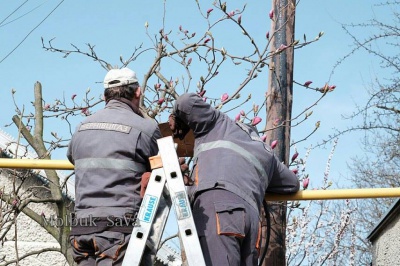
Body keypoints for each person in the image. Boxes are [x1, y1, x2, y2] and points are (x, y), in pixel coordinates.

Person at [168, 92, 300, 266]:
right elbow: (293, 184)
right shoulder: (267, 154)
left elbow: (186, 101)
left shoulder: (219, 123)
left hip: (219, 208)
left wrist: (177, 116)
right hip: (252, 222)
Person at [67, 67, 162, 265]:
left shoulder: (82, 127)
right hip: (119, 230)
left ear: (105, 96)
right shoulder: (146, 128)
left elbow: (72, 157)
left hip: (82, 227)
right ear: (138, 92)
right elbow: (161, 166)